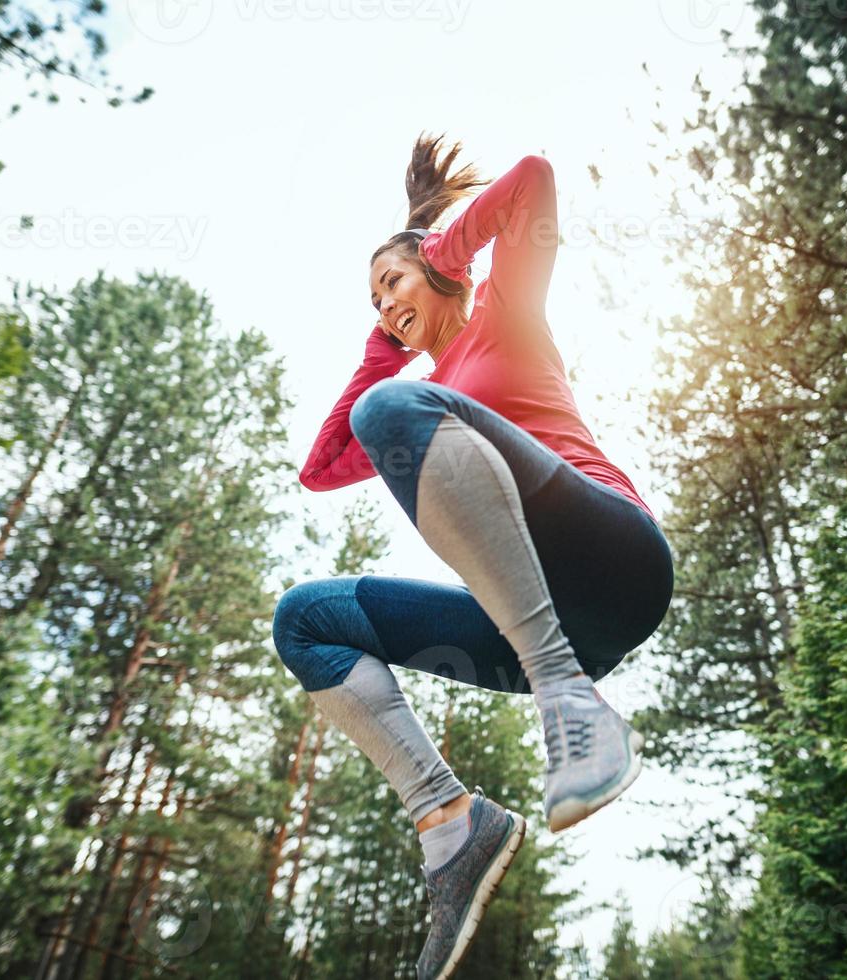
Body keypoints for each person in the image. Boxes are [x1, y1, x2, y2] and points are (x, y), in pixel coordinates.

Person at [271, 133, 674, 980]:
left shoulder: (506, 308)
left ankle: (572, 702)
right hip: (535, 625)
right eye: (372, 297)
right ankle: (451, 825)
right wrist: (384, 348)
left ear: (438, 269)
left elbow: (534, 182)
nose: (383, 303)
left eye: (393, 282)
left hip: (615, 563)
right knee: (304, 622)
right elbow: (321, 468)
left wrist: (442, 255)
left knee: (396, 412)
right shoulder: (405, 384)